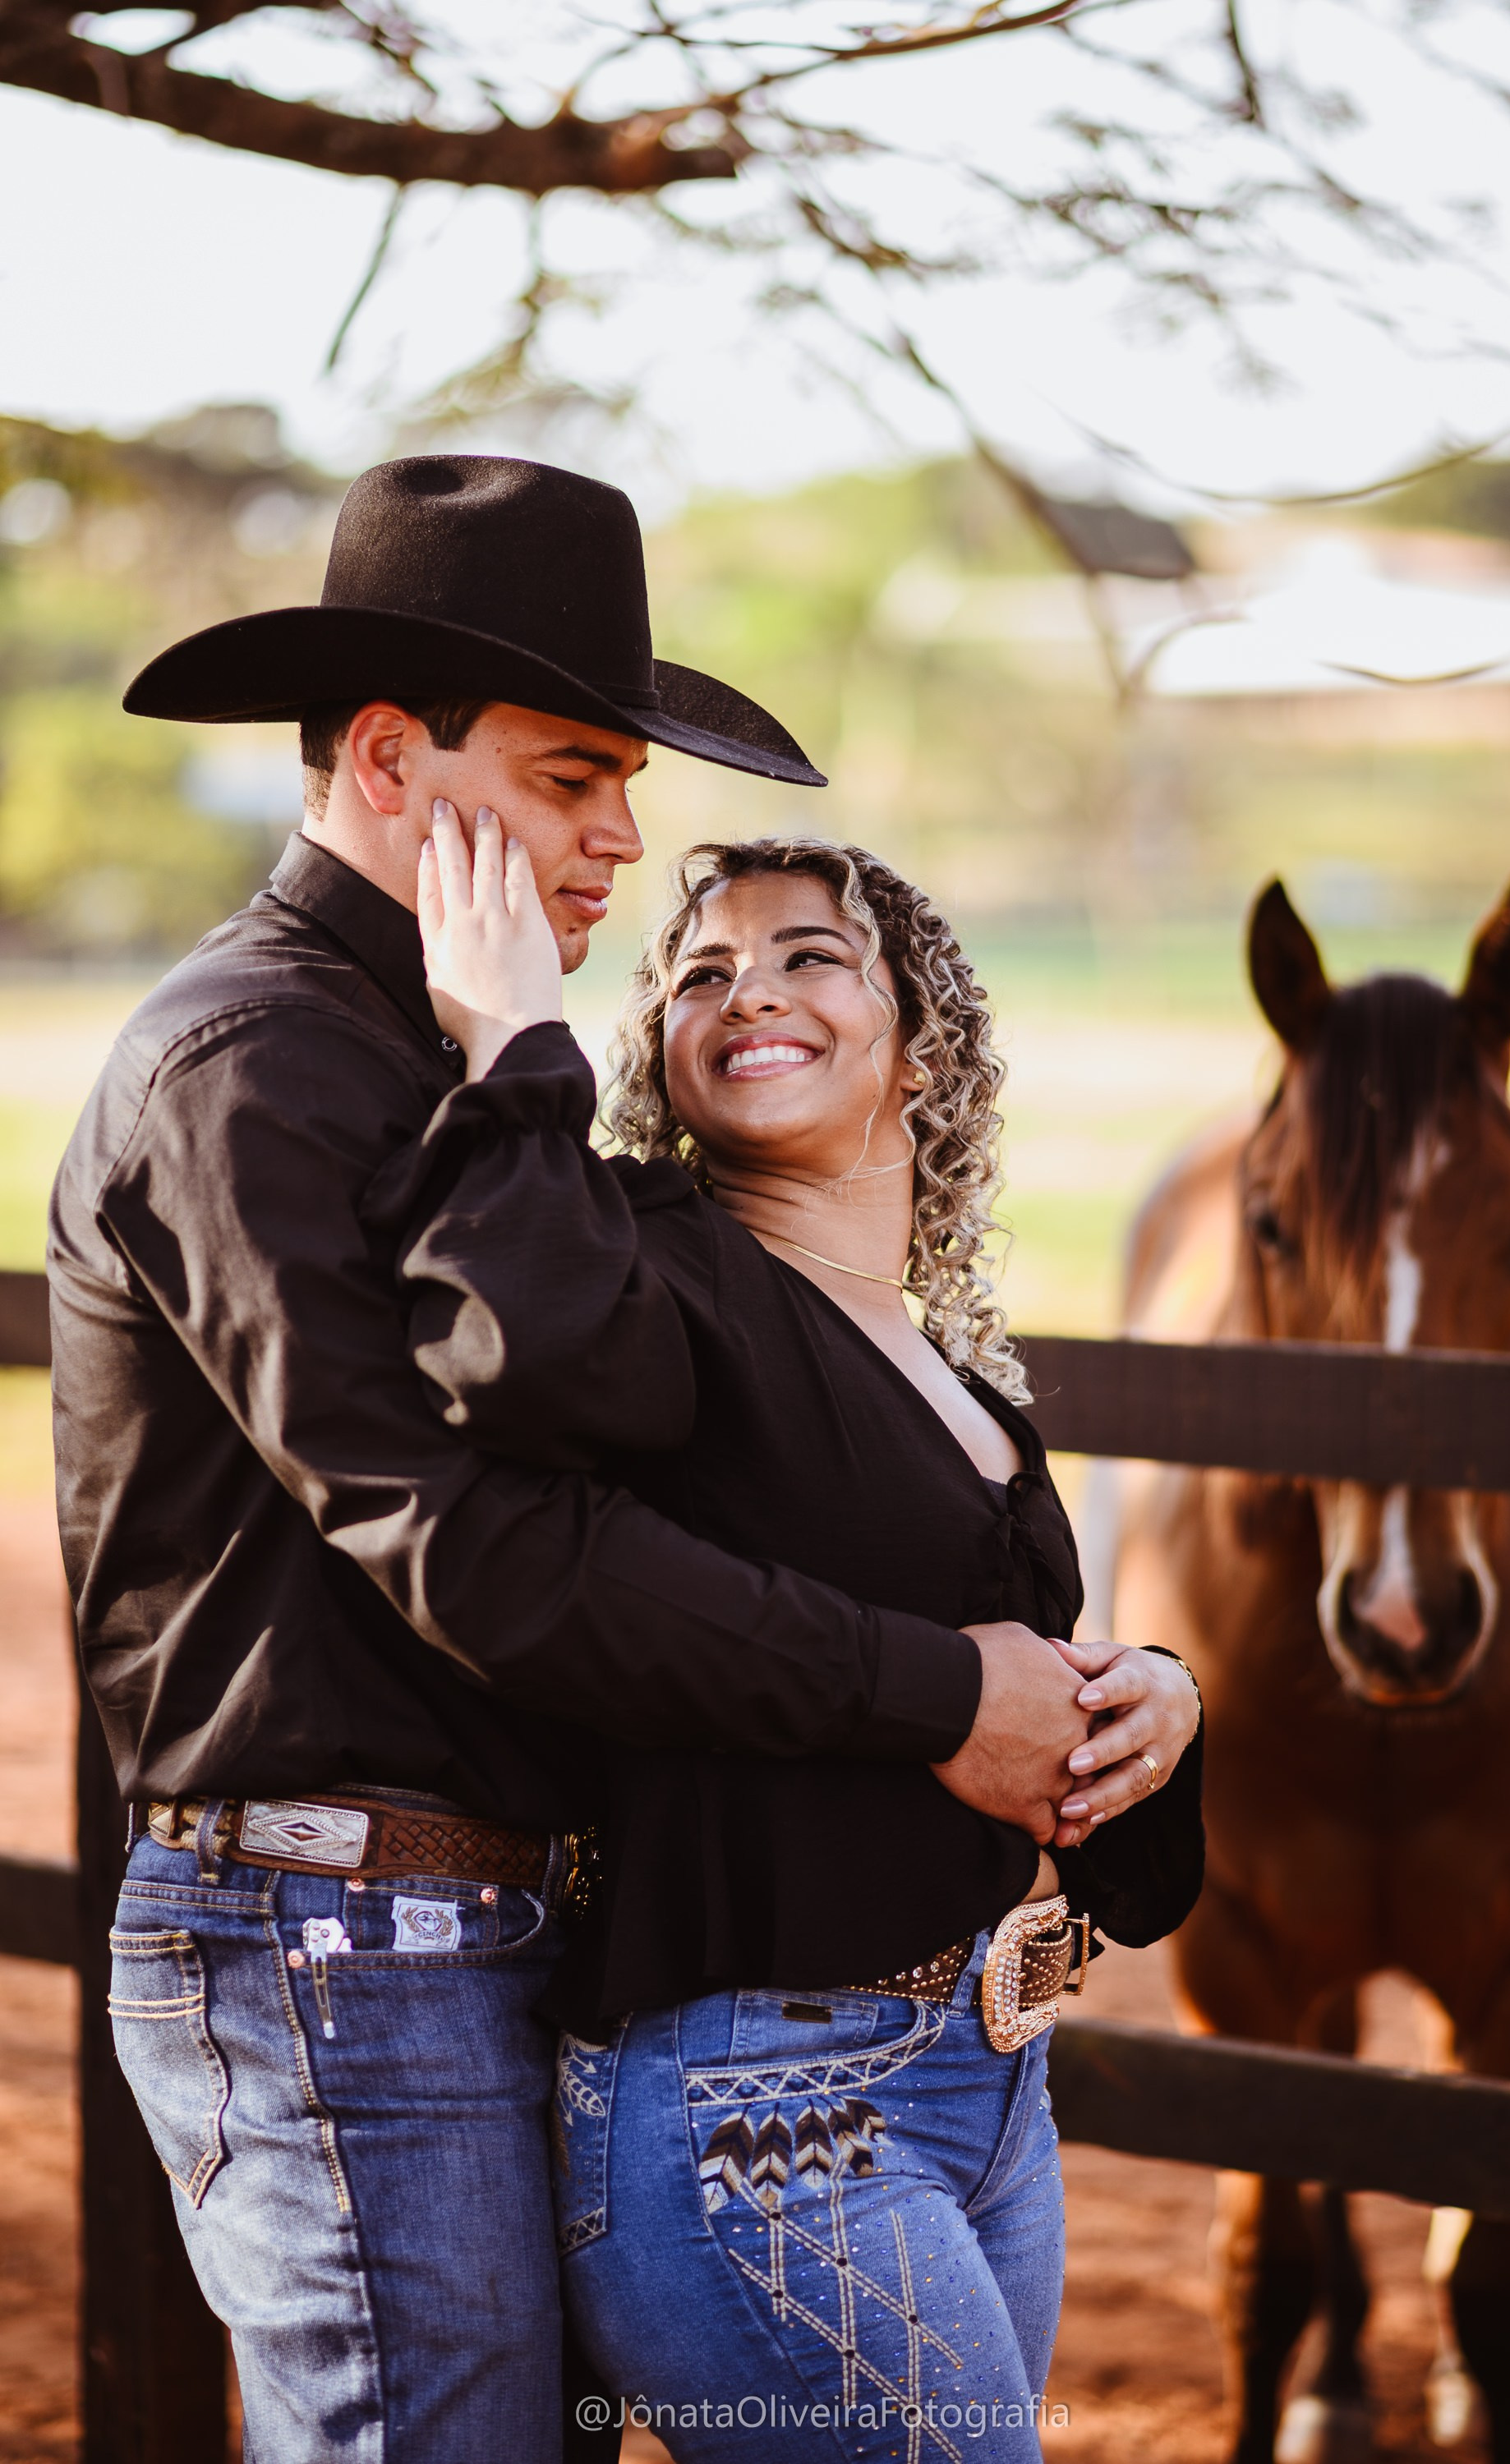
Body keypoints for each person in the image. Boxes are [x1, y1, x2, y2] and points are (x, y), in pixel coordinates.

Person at [48, 456, 1113, 2464]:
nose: (623, 840)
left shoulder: (452, 1053)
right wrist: (934, 1694)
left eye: (622, 782)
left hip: (511, 1940)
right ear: (386, 755)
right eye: (567, 777)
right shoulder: (252, 1068)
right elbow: (488, 1555)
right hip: (333, 1943)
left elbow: (664, 1450)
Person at [389, 816, 1204, 2461]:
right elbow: (513, 1359)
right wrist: (510, 1042)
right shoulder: (655, 1272)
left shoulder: (960, 1386)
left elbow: (1008, 1691)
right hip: (757, 2119)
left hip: (987, 2086)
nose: (744, 989)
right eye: (698, 974)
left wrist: (1161, 1701)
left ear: (920, 1047)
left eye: (807, 955)